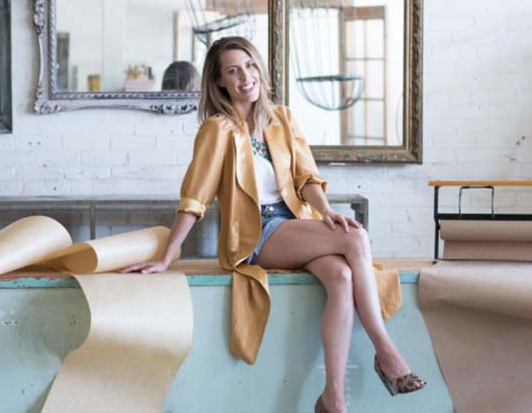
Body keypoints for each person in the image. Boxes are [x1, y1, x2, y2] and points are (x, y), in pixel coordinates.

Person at [122, 36, 425, 413]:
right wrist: (168, 255)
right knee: (357, 238)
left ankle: (334, 398)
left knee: (343, 278)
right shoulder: (217, 129)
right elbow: (194, 198)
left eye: (249, 65)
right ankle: (387, 351)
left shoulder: (282, 118)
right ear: (219, 83)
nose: (245, 76)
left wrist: (326, 212)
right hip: (257, 233)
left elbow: (306, 178)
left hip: (297, 223)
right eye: (232, 71)